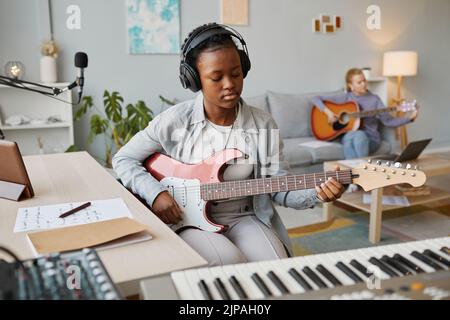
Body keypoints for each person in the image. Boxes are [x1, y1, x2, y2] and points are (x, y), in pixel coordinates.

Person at [112, 23, 345, 267]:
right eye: (216, 77)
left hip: (245, 216)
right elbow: (123, 159)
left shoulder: (262, 124)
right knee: (229, 260)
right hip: (189, 220)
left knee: (277, 265)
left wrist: (317, 193)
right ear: (194, 79)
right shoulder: (174, 120)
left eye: (235, 73)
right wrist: (156, 193)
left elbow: (279, 187)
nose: (229, 84)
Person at [312, 68, 419, 159]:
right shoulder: (345, 97)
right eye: (359, 82)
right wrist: (329, 113)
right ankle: (359, 177)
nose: (364, 84)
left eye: (364, 80)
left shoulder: (374, 99)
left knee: (358, 135)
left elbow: (388, 121)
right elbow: (316, 98)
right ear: (350, 85)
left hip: (371, 139)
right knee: (351, 136)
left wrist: (409, 119)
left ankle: (355, 177)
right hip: (350, 136)